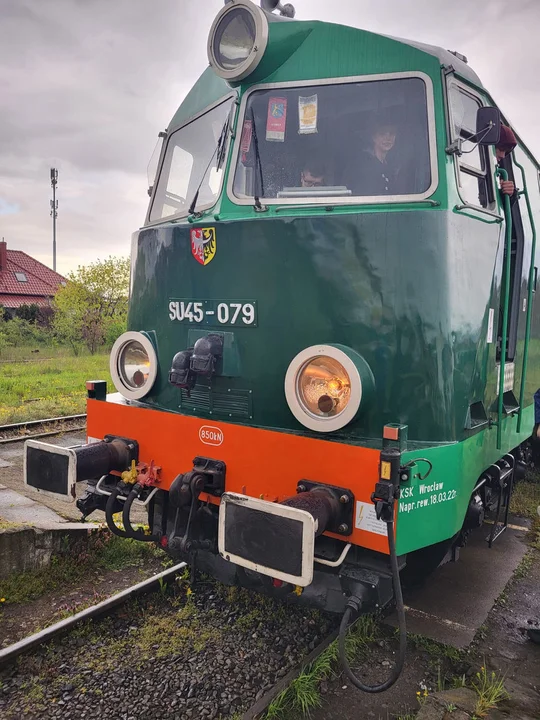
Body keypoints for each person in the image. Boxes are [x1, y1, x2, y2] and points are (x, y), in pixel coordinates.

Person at [349, 114, 400, 196]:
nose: (388, 138)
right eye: (382, 134)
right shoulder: (364, 165)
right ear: (374, 137)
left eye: (392, 133)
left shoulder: (390, 165)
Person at [496, 124, 518, 200]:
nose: (503, 156)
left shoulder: (498, 175)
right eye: (501, 148)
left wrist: (510, 195)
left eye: (506, 151)